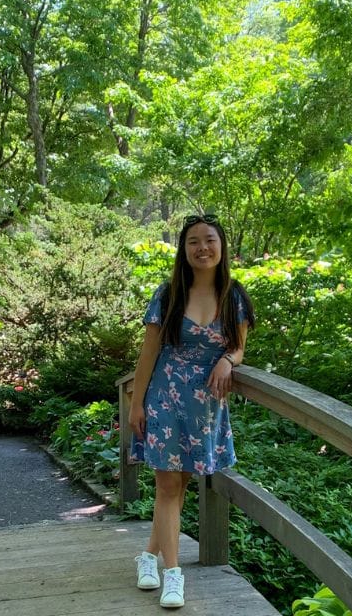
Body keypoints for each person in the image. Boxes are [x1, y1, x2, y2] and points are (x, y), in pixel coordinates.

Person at [128, 214, 255, 608]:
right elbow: (148, 352)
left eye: (210, 240)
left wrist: (228, 362)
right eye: (193, 242)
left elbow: (238, 346)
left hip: (205, 406)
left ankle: (148, 556)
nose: (203, 248)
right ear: (184, 250)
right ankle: (172, 574)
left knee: (180, 484)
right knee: (167, 485)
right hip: (165, 397)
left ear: (222, 247)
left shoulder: (234, 295)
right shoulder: (168, 294)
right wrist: (136, 403)